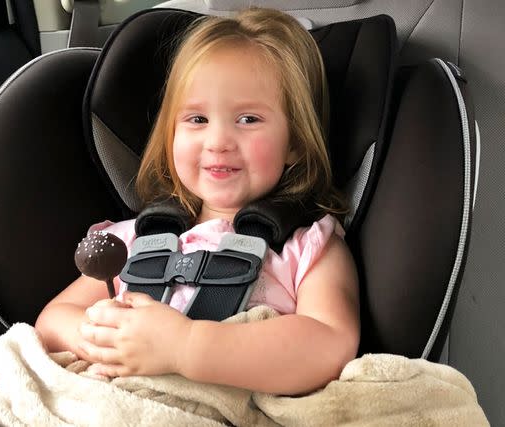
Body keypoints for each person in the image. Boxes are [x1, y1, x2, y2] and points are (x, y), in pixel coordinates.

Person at [35, 8, 359, 396]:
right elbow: (52, 319)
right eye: (197, 120)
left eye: (249, 119)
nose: (218, 141)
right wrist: (94, 336)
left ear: (294, 142)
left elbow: (330, 344)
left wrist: (186, 347)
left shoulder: (306, 246)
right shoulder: (135, 241)